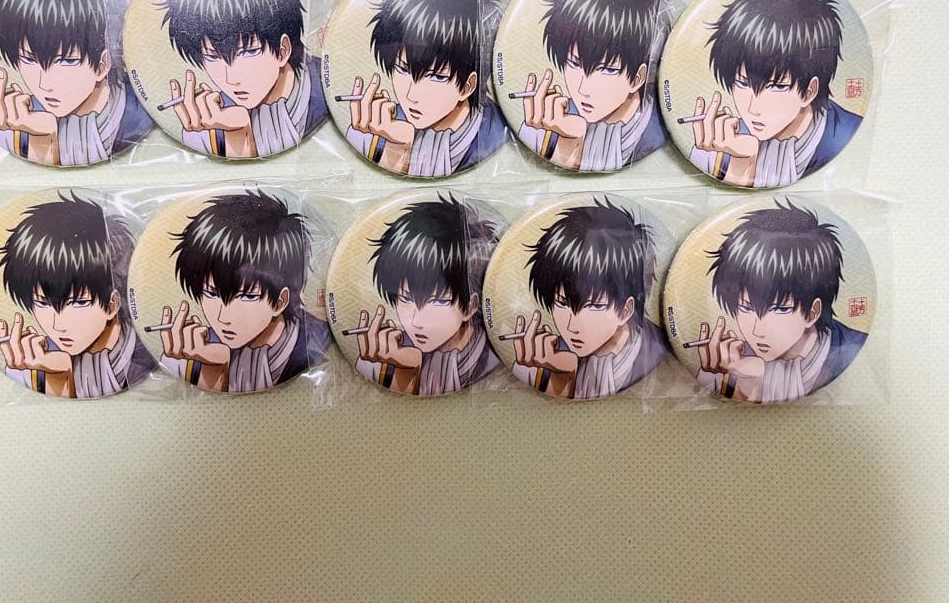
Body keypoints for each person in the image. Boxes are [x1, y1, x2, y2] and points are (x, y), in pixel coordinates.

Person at [0, 0, 151, 165]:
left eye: (67, 60)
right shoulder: (18, 121)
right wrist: (42, 138)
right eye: (28, 59)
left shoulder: (138, 110)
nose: (45, 84)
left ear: (103, 64)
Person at [687, 0, 860, 187]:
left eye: (777, 86)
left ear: (809, 91)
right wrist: (742, 159)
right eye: (742, 83)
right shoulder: (719, 146)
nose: (753, 109)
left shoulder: (846, 136)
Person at [159, 0, 326, 158]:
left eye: (249, 52)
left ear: (284, 49)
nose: (232, 79)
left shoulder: (324, 89)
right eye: (212, 56)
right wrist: (237, 133)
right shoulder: (209, 122)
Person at [343, 0, 506, 177]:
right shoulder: (374, 128)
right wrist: (397, 147)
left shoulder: (495, 130)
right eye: (402, 69)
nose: (411, 95)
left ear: (468, 86)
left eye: (436, 76)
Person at [696, 200, 866, 402]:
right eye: (746, 307)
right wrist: (723, 378)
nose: (756, 331)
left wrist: (760, 375)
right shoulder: (731, 360)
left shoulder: (851, 348)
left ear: (813, 312)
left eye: (779, 309)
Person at [158, 191, 328, 393]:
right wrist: (214, 368)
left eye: (247, 296)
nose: (223, 318)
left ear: (280, 301)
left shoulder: (316, 341)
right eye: (211, 293)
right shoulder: (193, 351)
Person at [518, 0, 667, 171]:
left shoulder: (656, 127)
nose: (583, 89)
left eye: (607, 69)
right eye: (574, 63)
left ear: (637, 78)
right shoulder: (548, 121)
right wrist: (569, 138)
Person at [0, 193, 146, 398]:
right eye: (43, 302)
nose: (58, 325)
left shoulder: (146, 355)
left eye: (79, 302)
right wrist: (56, 379)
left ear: (112, 304)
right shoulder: (34, 364)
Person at [510, 201, 668, 399]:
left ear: (626, 310)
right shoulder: (544, 359)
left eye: (594, 305)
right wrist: (562, 378)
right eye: (562, 303)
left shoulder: (654, 348)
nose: (572, 327)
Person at [353, 196, 499, 395]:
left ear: (471, 306)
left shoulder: (492, 355)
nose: (416, 322)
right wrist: (403, 372)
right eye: (405, 298)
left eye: (438, 300)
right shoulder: (384, 356)